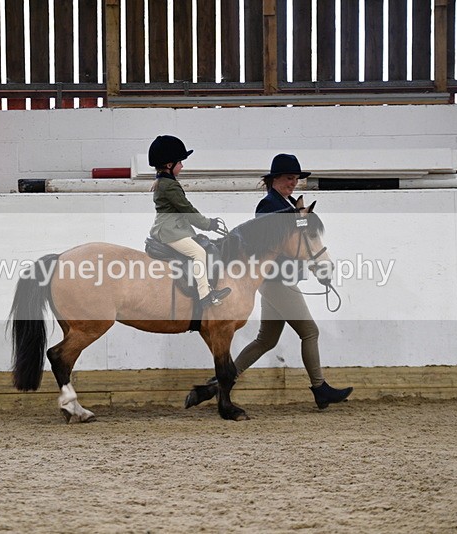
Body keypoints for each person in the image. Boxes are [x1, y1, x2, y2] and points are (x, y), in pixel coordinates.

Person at [184, 153, 353, 409]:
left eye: (296, 179)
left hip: (276, 282)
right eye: (288, 178)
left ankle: (215, 385)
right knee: (310, 332)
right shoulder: (268, 206)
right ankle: (320, 388)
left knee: (266, 341)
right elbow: (281, 234)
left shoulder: (286, 204)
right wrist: (299, 214)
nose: (293, 183)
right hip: (277, 282)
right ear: (274, 179)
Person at [148, 135, 231, 308]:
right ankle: (204, 295)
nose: (182, 166)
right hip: (170, 231)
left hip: (169, 227)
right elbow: (187, 209)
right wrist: (209, 224)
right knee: (199, 253)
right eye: (180, 163)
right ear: (169, 165)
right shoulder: (170, 185)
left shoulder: (163, 181)